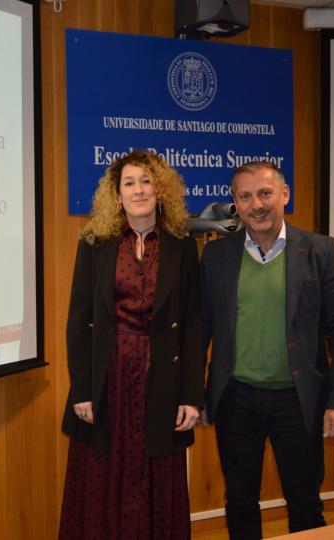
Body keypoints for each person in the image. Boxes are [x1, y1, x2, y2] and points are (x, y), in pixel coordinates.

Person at [200, 161, 334, 539]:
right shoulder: (216, 257)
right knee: (240, 500)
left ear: (284, 195)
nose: (256, 205)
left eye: (265, 193)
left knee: (305, 503)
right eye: (245, 196)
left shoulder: (320, 251)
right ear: (235, 202)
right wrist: (196, 392)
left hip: (299, 400)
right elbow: (201, 330)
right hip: (235, 399)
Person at [60, 150, 203, 539]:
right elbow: (79, 321)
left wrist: (192, 395)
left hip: (162, 380)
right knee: (102, 475)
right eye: (129, 183)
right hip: (109, 378)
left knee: (156, 475)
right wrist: (83, 390)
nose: (138, 190)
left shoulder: (182, 245)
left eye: (146, 181)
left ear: (160, 189)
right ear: (117, 194)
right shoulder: (95, 243)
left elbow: (192, 326)